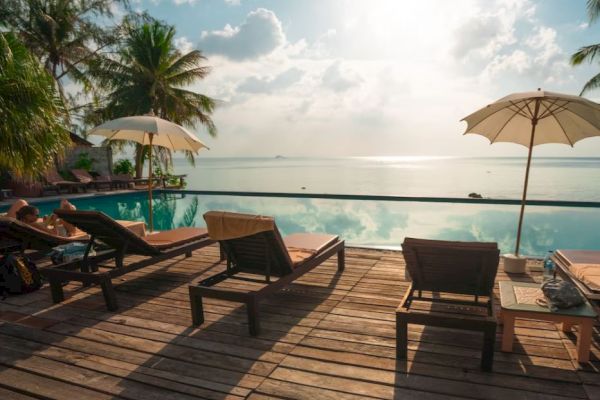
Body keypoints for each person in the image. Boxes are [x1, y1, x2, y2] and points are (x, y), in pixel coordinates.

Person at [12, 199, 79, 237]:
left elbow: (43, 230)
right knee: (67, 209)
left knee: (67, 208)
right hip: (64, 234)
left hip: (61, 231)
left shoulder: (23, 223)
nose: (38, 217)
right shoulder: (34, 224)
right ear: (28, 216)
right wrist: (55, 221)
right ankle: (69, 209)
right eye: (37, 215)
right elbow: (55, 234)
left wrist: (45, 223)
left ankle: (69, 208)